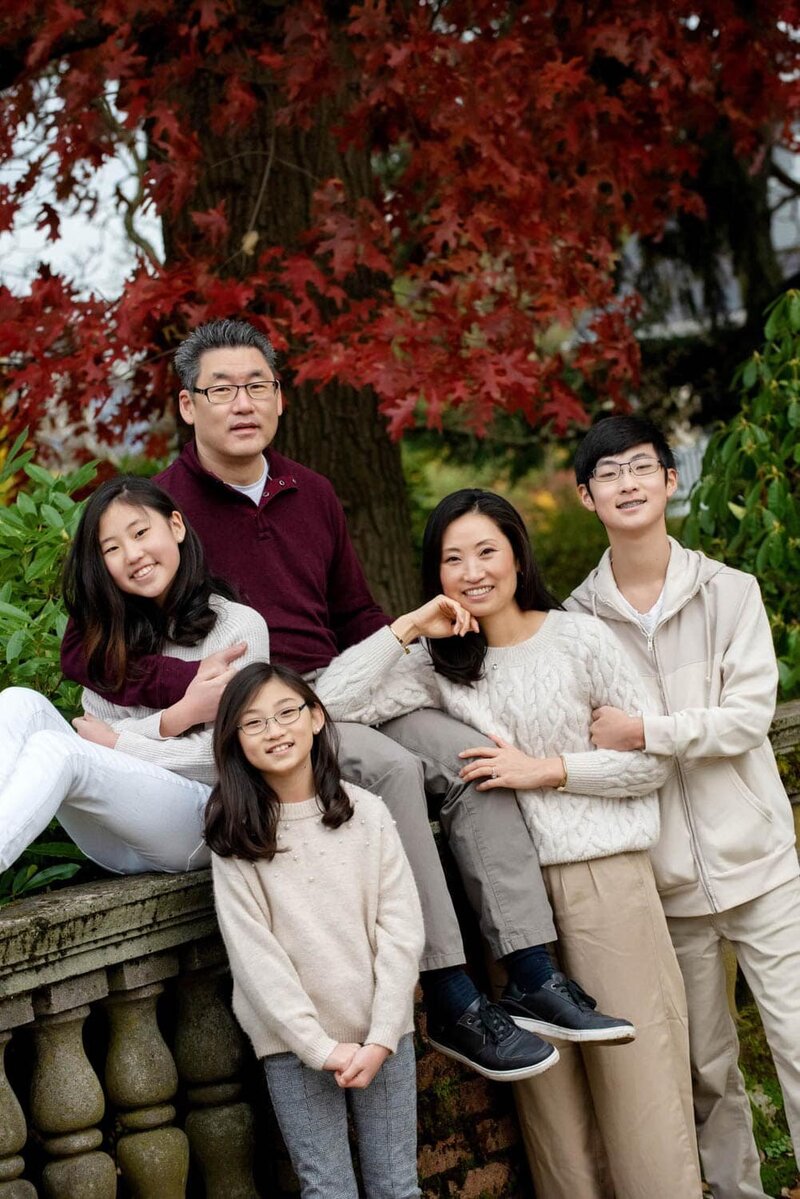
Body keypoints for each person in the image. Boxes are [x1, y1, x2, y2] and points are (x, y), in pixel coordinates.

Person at [60, 319, 623, 1080]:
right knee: (390, 770)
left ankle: (532, 972)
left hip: (353, 682)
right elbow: (93, 646)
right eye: (221, 389)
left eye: (257, 385)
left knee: (470, 752)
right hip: (276, 715)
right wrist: (187, 692)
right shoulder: (164, 512)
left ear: (281, 398)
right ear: (189, 406)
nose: (242, 402)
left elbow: (355, 612)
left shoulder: (310, 491)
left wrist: (427, 663)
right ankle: (453, 996)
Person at [315, 488, 703, 1199]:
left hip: (599, 878)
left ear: (518, 554)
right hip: (506, 899)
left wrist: (546, 770)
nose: (471, 571)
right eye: (451, 558)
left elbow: (650, 761)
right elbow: (327, 708)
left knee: (641, 1088)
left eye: (486, 551)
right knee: (552, 1110)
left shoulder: (580, 636)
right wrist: (408, 626)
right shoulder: (434, 667)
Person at [569, 413, 800, 1199]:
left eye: (642, 467)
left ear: (672, 479)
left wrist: (646, 731)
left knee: (799, 1040)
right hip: (665, 884)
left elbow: (747, 718)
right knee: (706, 1066)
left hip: (761, 864)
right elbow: (588, 748)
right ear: (586, 497)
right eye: (609, 473)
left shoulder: (730, 591)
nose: (628, 483)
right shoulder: (575, 623)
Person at [207, 661, 424, 1199]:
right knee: (327, 1188)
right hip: (291, 1043)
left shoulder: (367, 813)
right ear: (235, 741)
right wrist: (318, 1046)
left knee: (398, 1187)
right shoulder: (237, 837)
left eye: (286, 713)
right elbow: (255, 957)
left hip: (383, 1034)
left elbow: (401, 929)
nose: (274, 730)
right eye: (253, 723)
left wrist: (380, 1037)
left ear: (317, 718)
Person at [0, 476, 269, 874]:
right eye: (112, 548)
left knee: (57, 749)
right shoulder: (108, 639)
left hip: (203, 823)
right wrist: (178, 718)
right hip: (114, 835)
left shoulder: (237, 628)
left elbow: (228, 757)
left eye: (141, 532)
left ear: (175, 526)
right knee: (19, 701)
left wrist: (121, 742)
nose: (132, 554)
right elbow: (98, 738)